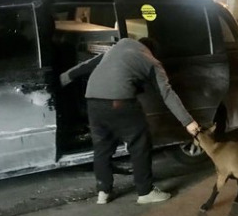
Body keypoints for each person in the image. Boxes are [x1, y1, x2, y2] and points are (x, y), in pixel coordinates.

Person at [60, 37, 199, 205]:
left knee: (102, 148)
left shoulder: (117, 48)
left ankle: (103, 192)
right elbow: (167, 94)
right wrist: (188, 122)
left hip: (93, 100)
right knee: (140, 144)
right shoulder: (151, 62)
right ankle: (145, 192)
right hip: (119, 102)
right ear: (152, 51)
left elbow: (87, 66)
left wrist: (62, 79)